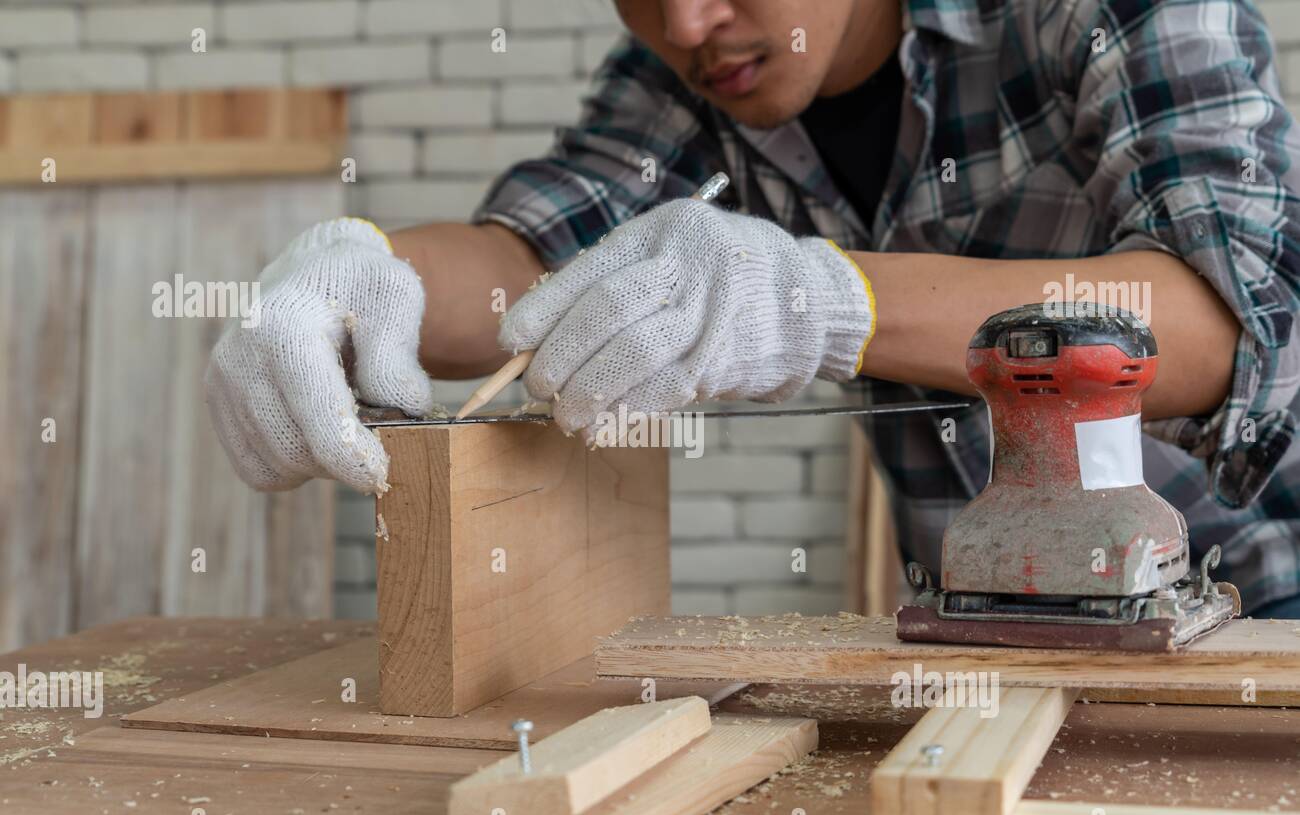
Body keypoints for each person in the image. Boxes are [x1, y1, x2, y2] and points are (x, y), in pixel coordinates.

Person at [205, 0, 1300, 618]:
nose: (688, 24)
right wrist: (358, 281)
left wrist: (827, 298)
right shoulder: (684, 72)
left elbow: (1225, 328)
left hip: (1256, 621)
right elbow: (523, 264)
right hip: (1001, 647)